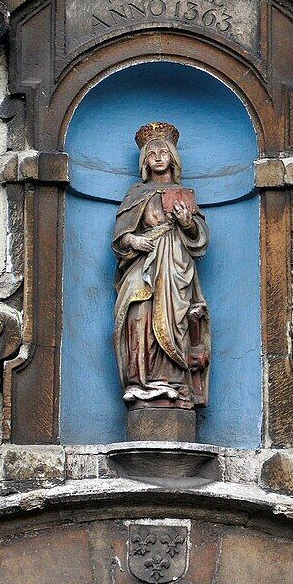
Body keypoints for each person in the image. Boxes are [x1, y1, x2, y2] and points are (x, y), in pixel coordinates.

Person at [112, 122, 210, 411]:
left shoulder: (184, 195)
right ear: (144, 160)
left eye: (162, 151)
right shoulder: (135, 194)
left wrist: (186, 222)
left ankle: (175, 384)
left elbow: (200, 239)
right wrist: (134, 241)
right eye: (150, 152)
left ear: (172, 157)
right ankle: (141, 382)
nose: (157, 156)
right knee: (138, 317)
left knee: (175, 323)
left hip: (175, 268)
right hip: (142, 269)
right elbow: (119, 236)